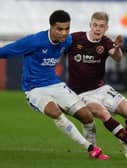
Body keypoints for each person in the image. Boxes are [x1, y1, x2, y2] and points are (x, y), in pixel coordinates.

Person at [0, 10, 109, 160]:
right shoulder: (35, 41)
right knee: (54, 112)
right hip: (35, 89)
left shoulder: (68, 41)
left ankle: (92, 151)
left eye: (67, 29)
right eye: (60, 29)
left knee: (87, 116)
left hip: (55, 84)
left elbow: (86, 45)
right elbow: (6, 51)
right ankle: (91, 148)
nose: (64, 33)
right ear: (51, 27)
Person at [67, 11, 127, 158]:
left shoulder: (106, 42)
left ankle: (125, 141)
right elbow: (58, 50)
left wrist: (118, 48)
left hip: (101, 88)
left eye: (101, 26)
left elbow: (117, 58)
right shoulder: (75, 38)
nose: (97, 29)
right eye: (95, 25)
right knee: (103, 114)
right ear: (90, 25)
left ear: (106, 28)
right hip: (80, 94)